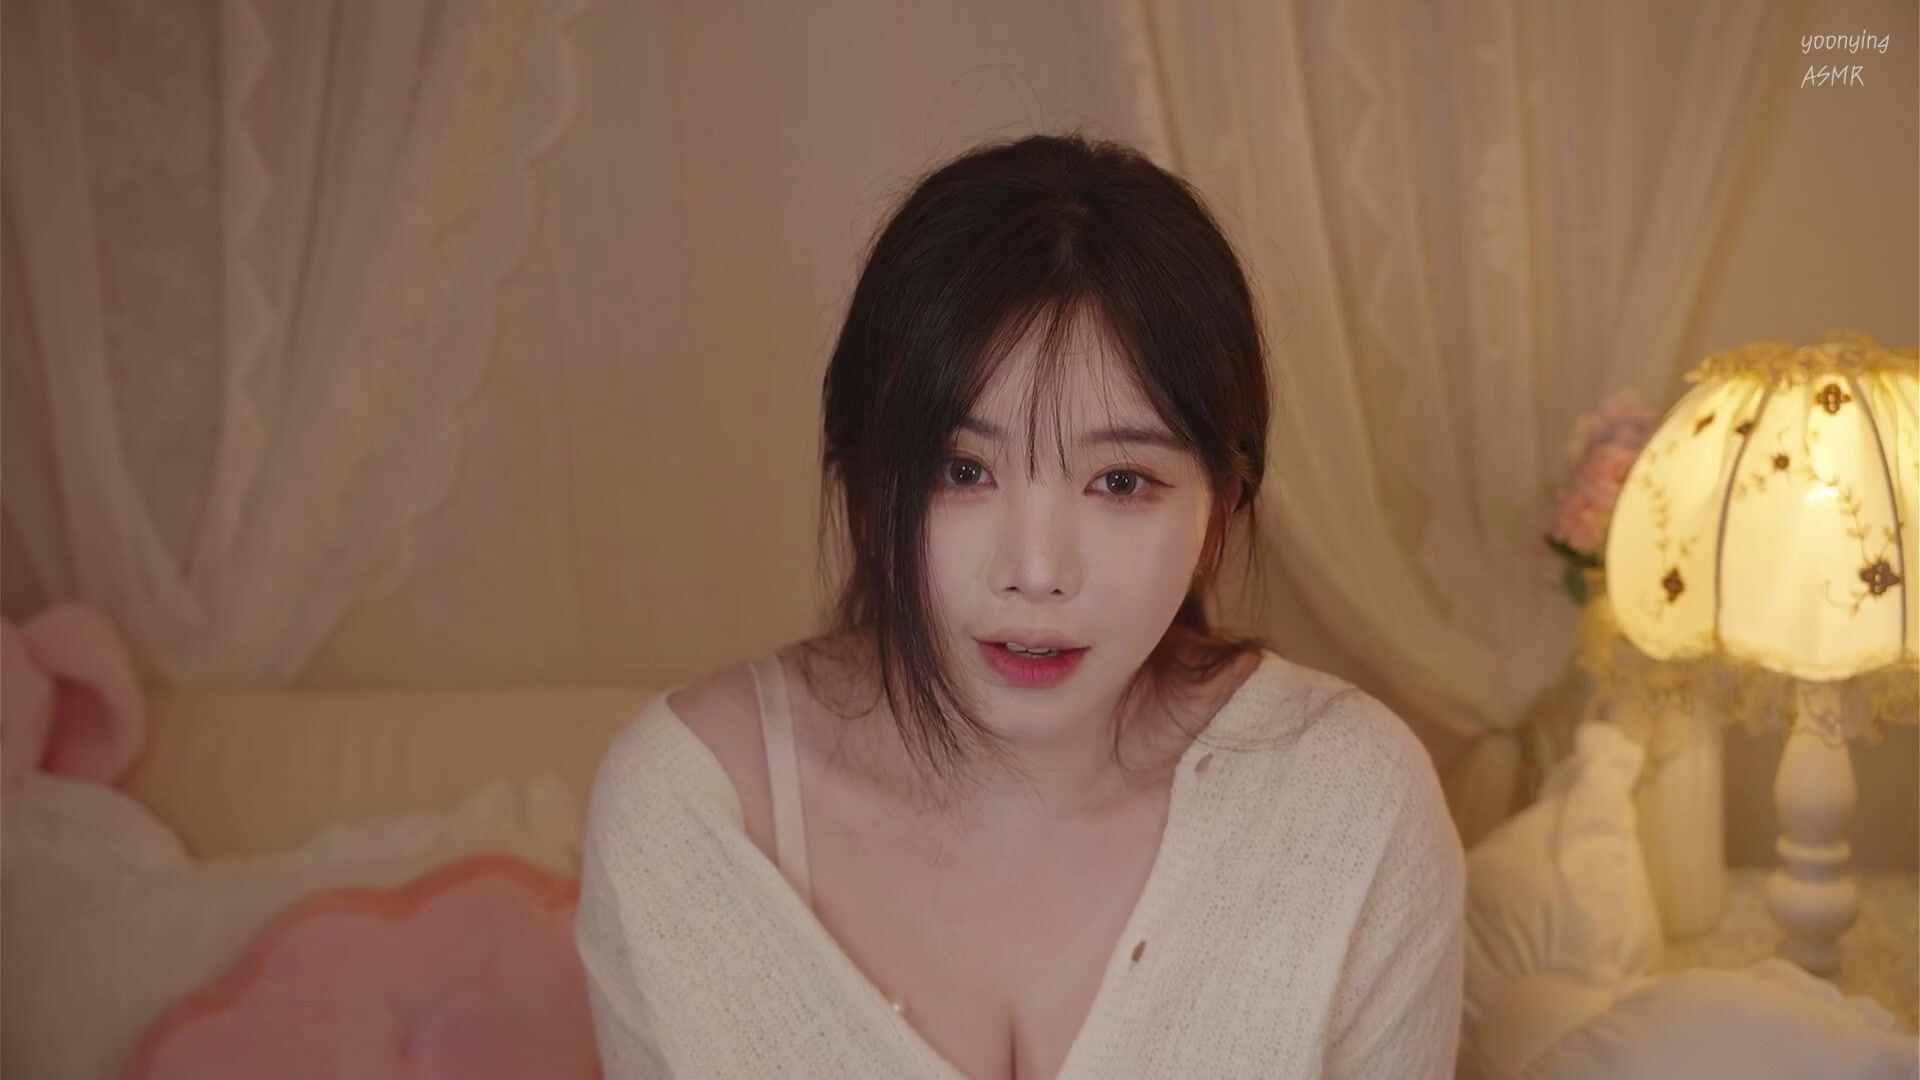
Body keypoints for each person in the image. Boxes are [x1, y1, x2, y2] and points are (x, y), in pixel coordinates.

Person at [574, 131, 1464, 1079]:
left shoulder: (1348, 810)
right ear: (869, 490)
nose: (1036, 571)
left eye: (1121, 481)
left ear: (1220, 511)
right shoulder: (690, 814)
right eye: (963, 470)